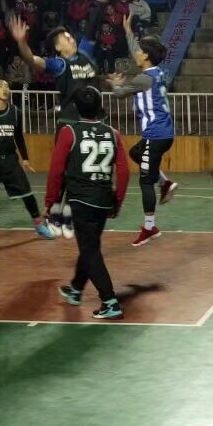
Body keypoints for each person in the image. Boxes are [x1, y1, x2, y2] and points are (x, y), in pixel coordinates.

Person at [9, 15, 101, 237]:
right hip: (68, 124)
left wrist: (101, 1)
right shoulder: (60, 64)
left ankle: (67, 214)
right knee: (63, 170)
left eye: (71, 36)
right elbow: (34, 60)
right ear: (58, 47)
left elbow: (92, 26)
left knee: (79, 173)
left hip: (88, 122)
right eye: (66, 38)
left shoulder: (85, 54)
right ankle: (52, 213)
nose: (71, 39)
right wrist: (21, 42)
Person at [45, 84, 131, 320]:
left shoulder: (69, 132)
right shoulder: (113, 133)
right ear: (100, 107)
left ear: (75, 107)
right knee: (89, 246)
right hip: (103, 200)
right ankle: (76, 290)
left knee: (90, 250)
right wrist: (117, 201)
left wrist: (50, 203)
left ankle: (109, 301)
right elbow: (124, 171)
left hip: (81, 200)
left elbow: (56, 170)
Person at [108, 18, 176, 247]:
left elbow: (119, 94)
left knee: (145, 182)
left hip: (155, 135)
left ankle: (149, 228)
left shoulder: (143, 79)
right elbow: (137, 50)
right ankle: (164, 182)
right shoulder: (158, 73)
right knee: (135, 153)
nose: (135, 54)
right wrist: (128, 31)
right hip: (164, 133)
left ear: (146, 56)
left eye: (139, 52)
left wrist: (115, 84)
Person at [0, 77, 56, 245]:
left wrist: (25, 158)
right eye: (0, 86)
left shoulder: (15, 112)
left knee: (27, 193)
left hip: (10, 161)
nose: (5, 89)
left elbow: (19, 137)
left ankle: (39, 225)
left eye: (7, 86)